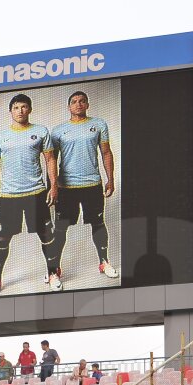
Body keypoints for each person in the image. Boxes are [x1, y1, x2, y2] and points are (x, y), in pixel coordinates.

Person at [0, 94, 57, 295]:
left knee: (46, 235)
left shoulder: (41, 131)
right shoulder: (0, 137)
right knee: (3, 239)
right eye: (16, 107)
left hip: (36, 192)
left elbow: (50, 160)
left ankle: (52, 273)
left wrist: (54, 186)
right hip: (9, 196)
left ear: (30, 109)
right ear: (10, 111)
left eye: (24, 107)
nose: (20, 111)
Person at [48, 90, 118, 281]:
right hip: (66, 188)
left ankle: (104, 261)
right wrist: (52, 186)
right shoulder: (58, 130)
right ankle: (54, 269)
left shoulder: (98, 125)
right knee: (60, 228)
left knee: (98, 223)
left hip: (92, 185)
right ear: (69, 106)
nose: (78, 104)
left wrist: (110, 178)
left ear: (87, 105)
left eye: (82, 101)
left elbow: (106, 152)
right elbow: (50, 159)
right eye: (74, 102)